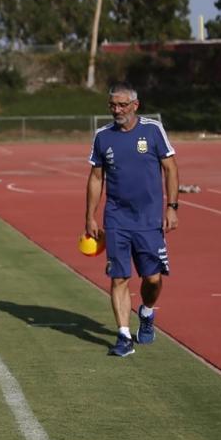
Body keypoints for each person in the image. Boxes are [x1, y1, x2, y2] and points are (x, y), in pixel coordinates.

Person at [85, 82, 179, 357]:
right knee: (119, 278)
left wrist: (172, 207)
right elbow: (96, 178)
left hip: (149, 220)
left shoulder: (152, 130)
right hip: (116, 218)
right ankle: (124, 336)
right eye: (112, 105)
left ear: (135, 105)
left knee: (152, 279)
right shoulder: (102, 136)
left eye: (122, 105)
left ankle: (146, 312)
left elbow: (171, 169)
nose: (117, 110)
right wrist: (89, 216)